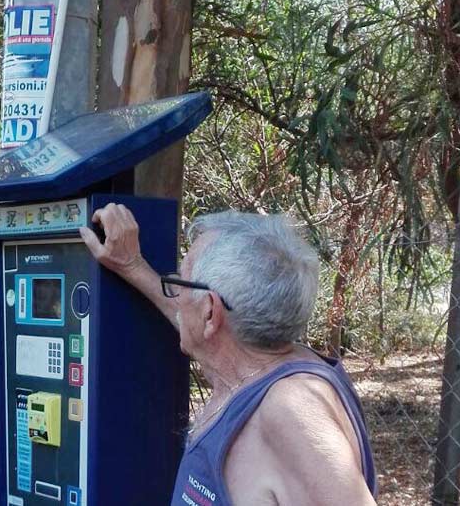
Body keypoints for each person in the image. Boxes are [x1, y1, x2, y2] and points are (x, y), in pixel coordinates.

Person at [80, 205, 378, 506]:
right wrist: (132, 266)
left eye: (180, 282)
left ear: (210, 312)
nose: (176, 295)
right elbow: (198, 321)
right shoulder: (262, 360)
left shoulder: (290, 409)